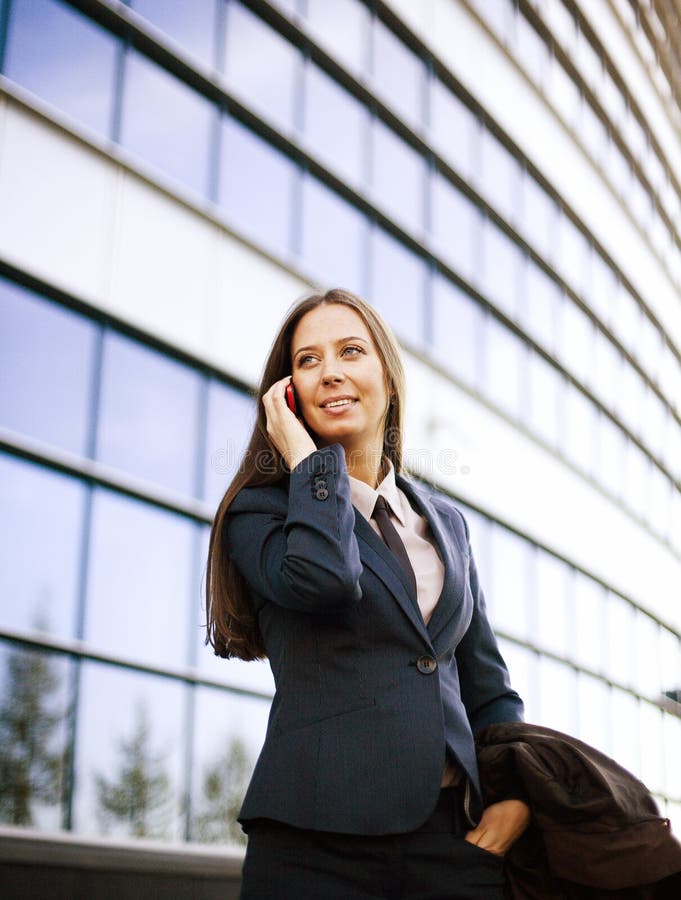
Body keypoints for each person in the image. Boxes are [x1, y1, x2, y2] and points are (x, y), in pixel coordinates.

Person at [205, 288, 531, 899]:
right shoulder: (259, 512)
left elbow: (488, 685)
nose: (330, 371)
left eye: (350, 351)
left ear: (387, 373)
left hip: (455, 844)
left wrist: (513, 796)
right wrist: (309, 464)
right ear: (287, 393)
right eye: (307, 361)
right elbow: (325, 578)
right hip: (313, 844)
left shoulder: (447, 524)